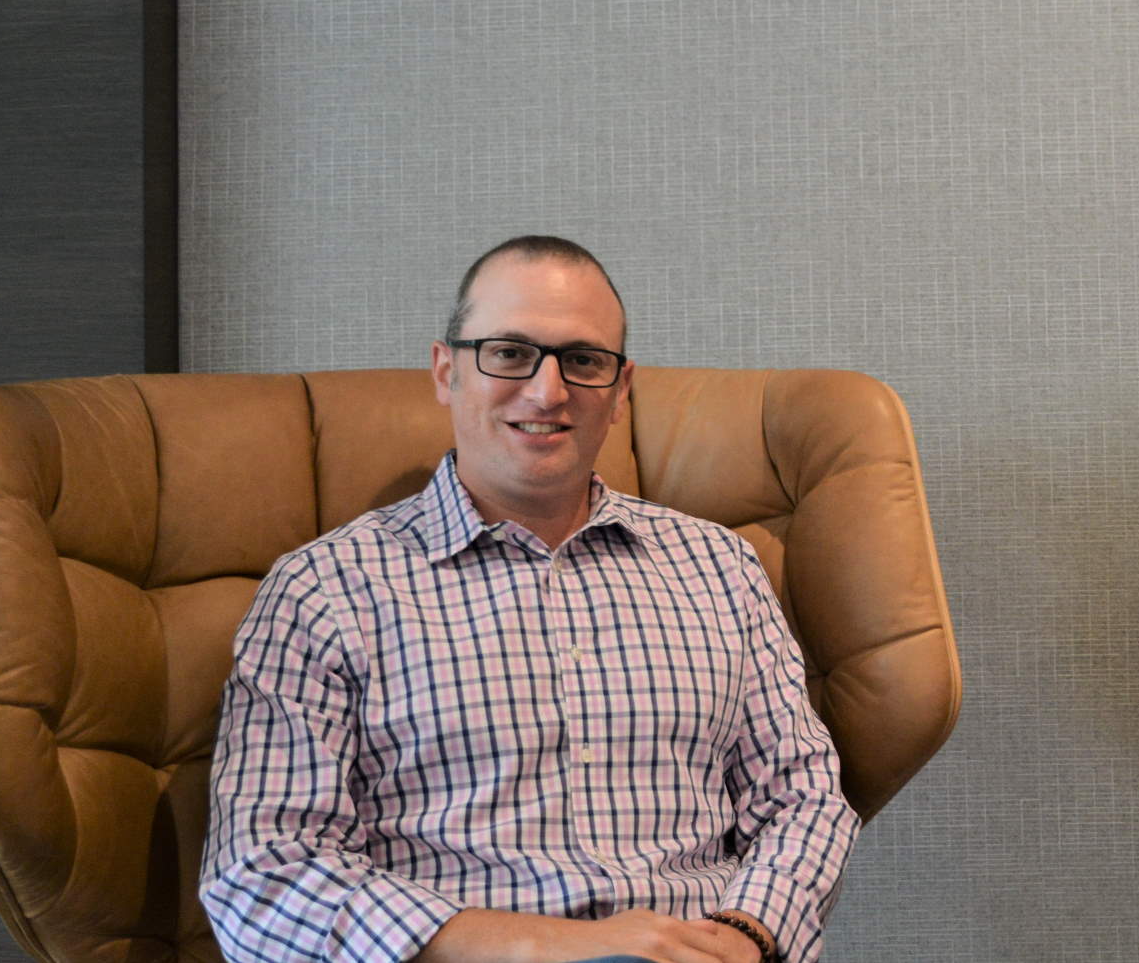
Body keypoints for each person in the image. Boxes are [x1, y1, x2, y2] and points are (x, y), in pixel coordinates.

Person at [202, 236, 857, 963]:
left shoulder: (718, 566)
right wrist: (561, 947)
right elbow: (260, 872)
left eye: (583, 360)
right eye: (509, 353)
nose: (547, 392)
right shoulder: (325, 590)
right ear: (446, 371)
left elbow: (803, 797)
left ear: (619, 390)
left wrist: (747, 934)